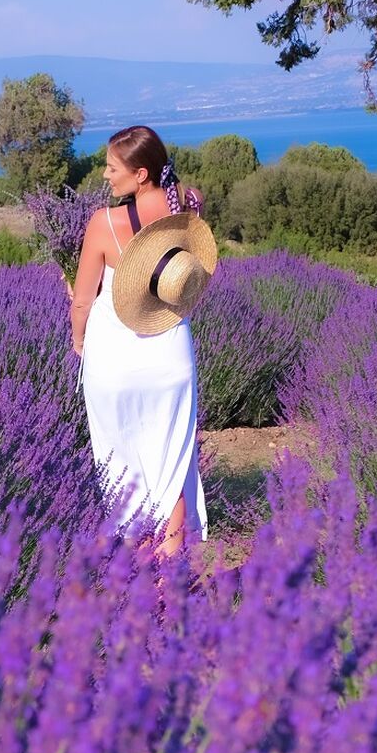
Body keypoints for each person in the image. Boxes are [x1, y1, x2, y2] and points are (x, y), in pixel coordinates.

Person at [69, 125, 216, 561]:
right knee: (170, 458)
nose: (104, 175)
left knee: (121, 460)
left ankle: (136, 569)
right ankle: (172, 573)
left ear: (142, 174)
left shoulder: (105, 223)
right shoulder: (187, 208)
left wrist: (79, 341)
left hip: (114, 360)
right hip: (169, 354)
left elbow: (82, 300)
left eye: (113, 168)